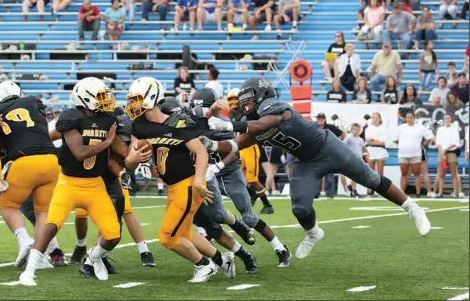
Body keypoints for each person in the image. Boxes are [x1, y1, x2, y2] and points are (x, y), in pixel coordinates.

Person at [203, 77, 431, 261]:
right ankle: (313, 233)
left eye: (248, 99)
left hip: (327, 147)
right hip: (304, 161)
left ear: (262, 95)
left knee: (369, 177)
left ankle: (412, 207)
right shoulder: (252, 121)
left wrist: (227, 124)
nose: (245, 104)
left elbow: (264, 124)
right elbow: (234, 145)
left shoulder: (272, 107)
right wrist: (211, 144)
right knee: (300, 209)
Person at [123, 77, 236, 283]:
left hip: (188, 185)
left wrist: (200, 180)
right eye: (133, 100)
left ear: (153, 97)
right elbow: (131, 160)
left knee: (167, 237)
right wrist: (131, 160)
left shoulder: (178, 121)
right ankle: (222, 260)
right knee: (184, 233)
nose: (133, 104)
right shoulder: (139, 125)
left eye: (138, 99)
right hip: (173, 187)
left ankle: (204, 266)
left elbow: (201, 153)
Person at [19, 78, 124, 284]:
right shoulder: (70, 118)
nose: (105, 100)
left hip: (95, 184)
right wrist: (108, 142)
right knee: (51, 225)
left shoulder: (107, 119)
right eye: (100, 96)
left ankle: (93, 258)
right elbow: (79, 152)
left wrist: (138, 154)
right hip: (69, 183)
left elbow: (122, 151)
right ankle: (29, 271)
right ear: (85, 98)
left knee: (113, 235)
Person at [190, 89, 291, 269]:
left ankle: (280, 248)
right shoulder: (193, 122)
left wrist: (219, 166)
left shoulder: (222, 124)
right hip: (206, 174)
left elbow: (235, 151)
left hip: (228, 171)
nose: (200, 113)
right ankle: (233, 230)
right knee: (216, 215)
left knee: (250, 217)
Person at [69, 108, 157, 269]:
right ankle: (82, 248)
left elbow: (138, 152)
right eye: (120, 139)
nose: (123, 144)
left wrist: (146, 163)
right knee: (83, 213)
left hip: (112, 177)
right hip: (91, 176)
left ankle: (137, 251)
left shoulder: (135, 136)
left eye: (126, 140)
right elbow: (111, 160)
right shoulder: (100, 132)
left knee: (123, 211)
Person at [0, 81, 60, 267]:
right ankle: (41, 258)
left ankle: (24, 241)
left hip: (23, 161)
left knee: (7, 205)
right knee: (43, 212)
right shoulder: (33, 102)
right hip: (51, 160)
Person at [394, 112, 433, 197]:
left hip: (416, 154)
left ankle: (418, 192)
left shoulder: (420, 127)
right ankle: (402, 192)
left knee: (417, 173)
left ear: (414, 118)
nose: (409, 119)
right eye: (407, 118)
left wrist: (423, 144)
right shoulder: (400, 127)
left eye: (411, 118)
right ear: (405, 118)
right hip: (403, 154)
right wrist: (403, 145)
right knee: (404, 173)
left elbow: (429, 137)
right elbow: (395, 139)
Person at [434, 113, 463, 198]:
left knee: (454, 174)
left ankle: (455, 192)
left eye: (448, 118)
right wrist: (441, 153)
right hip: (441, 153)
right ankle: (440, 192)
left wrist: (445, 150)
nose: (446, 120)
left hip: (451, 152)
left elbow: (455, 143)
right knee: (441, 174)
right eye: (445, 118)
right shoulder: (440, 130)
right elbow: (438, 143)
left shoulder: (454, 129)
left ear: (451, 119)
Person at [365, 112, 389, 195]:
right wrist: (375, 141)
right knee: (370, 172)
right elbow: (367, 141)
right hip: (370, 151)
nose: (375, 119)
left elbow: (382, 142)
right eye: (373, 117)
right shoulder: (368, 129)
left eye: (377, 117)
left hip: (380, 151)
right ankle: (369, 190)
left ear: (380, 119)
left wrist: (372, 141)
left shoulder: (383, 128)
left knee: (380, 172)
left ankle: (380, 190)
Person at [342, 123, 368, 198]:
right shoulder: (349, 138)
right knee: (347, 174)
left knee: (356, 175)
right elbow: (342, 145)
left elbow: (363, 148)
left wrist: (367, 155)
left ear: (360, 131)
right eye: (354, 129)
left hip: (358, 159)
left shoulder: (360, 140)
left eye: (357, 129)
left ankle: (353, 189)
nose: (355, 131)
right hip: (350, 159)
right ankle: (347, 189)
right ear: (351, 130)